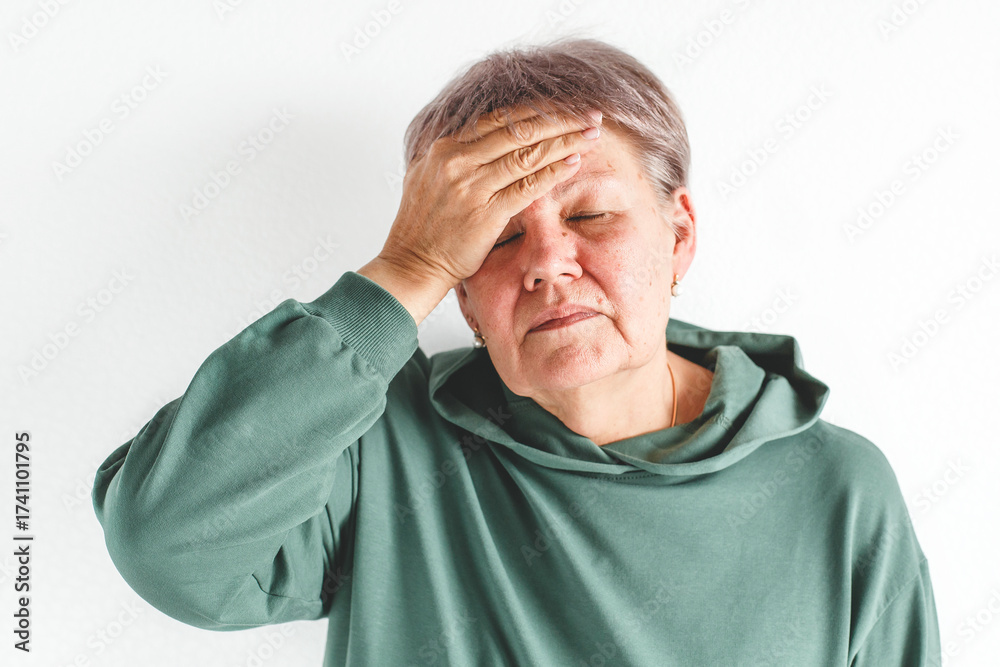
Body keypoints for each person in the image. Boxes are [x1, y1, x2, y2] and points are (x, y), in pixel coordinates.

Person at [92, 36, 941, 665]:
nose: (545, 264)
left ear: (679, 236)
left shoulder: (836, 490)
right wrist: (404, 269)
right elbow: (164, 539)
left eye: (590, 215)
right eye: (497, 236)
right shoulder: (378, 448)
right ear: (458, 289)